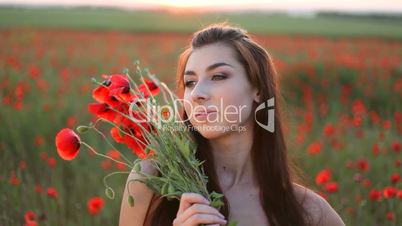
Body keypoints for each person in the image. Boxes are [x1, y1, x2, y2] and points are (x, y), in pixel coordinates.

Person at [119, 22, 345, 226]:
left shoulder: (310, 212)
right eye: (190, 82)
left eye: (218, 76)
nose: (197, 93)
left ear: (257, 88)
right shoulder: (151, 180)